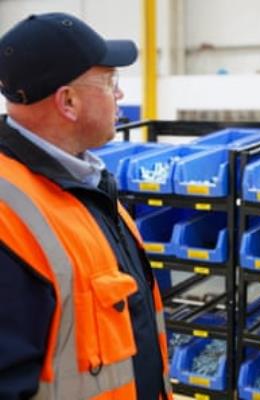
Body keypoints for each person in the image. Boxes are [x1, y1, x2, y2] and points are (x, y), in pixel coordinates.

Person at [0, 13, 172, 399]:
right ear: (69, 102)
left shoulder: (86, 184)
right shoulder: (9, 214)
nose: (120, 95)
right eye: (111, 82)